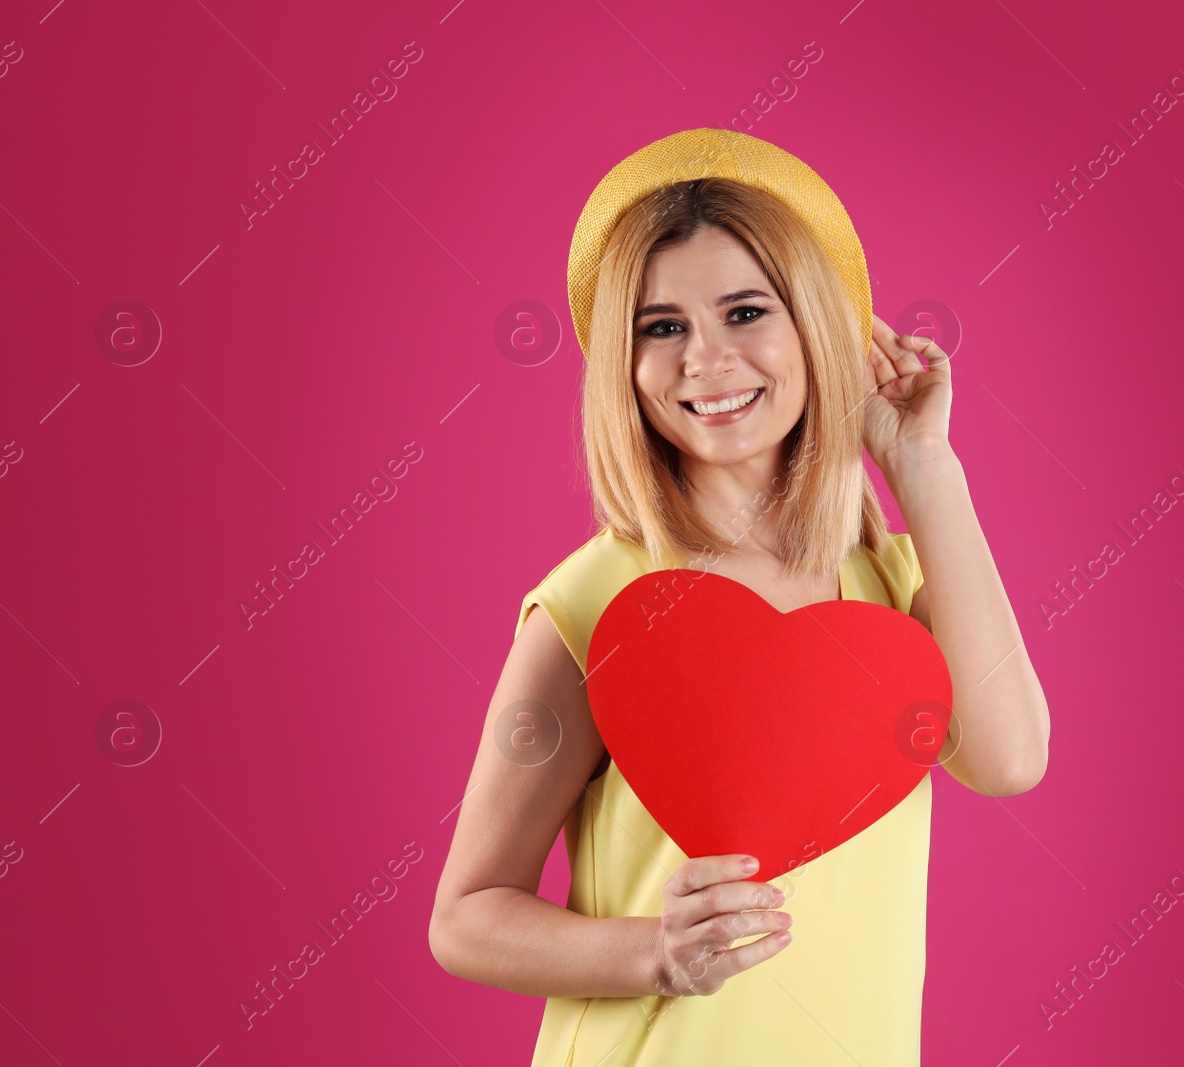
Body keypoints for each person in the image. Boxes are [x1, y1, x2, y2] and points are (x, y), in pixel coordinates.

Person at [427, 128, 1050, 1065]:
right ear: (624, 368)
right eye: (661, 326)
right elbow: (466, 918)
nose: (704, 361)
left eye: (746, 311)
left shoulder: (896, 585)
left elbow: (1008, 760)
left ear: (817, 325)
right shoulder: (593, 603)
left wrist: (923, 465)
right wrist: (655, 952)